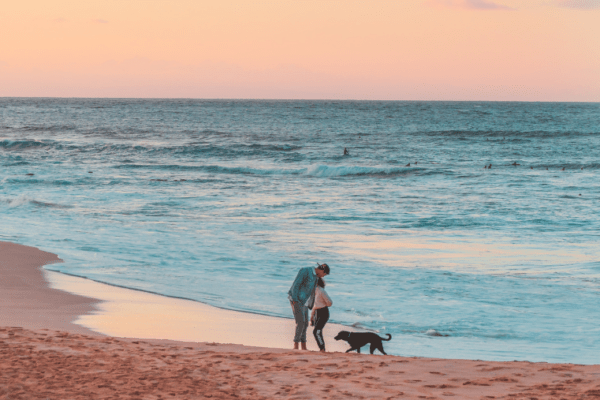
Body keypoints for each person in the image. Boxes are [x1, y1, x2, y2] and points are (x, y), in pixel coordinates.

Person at [288, 263, 330, 350]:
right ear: (322, 270)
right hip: (297, 299)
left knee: (305, 324)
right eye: (324, 274)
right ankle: (296, 345)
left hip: (305, 302)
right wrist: (295, 300)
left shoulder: (316, 277)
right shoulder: (306, 270)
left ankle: (303, 346)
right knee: (300, 322)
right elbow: (296, 284)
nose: (323, 276)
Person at [310, 277, 332, 352]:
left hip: (324, 313)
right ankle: (322, 348)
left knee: (316, 331)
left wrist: (323, 304)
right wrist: (312, 316)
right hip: (317, 313)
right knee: (318, 332)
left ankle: (322, 349)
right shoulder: (314, 291)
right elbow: (314, 305)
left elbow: (330, 303)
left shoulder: (322, 291)